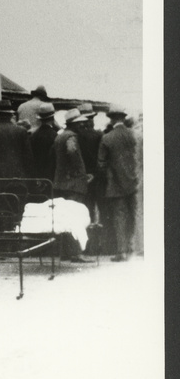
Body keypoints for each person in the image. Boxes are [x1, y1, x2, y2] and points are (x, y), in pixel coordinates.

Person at [98, 104, 140, 262]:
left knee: (119, 217)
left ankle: (121, 251)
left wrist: (110, 175)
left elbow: (101, 164)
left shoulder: (107, 138)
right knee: (134, 215)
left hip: (115, 184)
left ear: (111, 119)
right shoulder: (134, 135)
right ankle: (132, 247)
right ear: (123, 117)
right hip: (135, 182)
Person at [53, 108, 94, 262]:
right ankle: (76, 253)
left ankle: (65, 252)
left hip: (61, 182)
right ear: (75, 124)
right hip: (73, 184)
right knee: (76, 217)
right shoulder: (71, 136)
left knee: (64, 218)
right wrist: (80, 173)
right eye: (80, 123)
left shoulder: (59, 136)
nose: (82, 125)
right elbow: (72, 152)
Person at [74, 102, 104, 227]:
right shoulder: (99, 135)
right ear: (91, 119)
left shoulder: (77, 136)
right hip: (96, 175)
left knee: (85, 204)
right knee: (98, 203)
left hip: (82, 174)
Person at [29, 102, 58, 184]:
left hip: (37, 174)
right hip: (51, 175)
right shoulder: (54, 135)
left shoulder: (33, 135)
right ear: (52, 118)